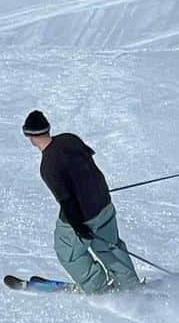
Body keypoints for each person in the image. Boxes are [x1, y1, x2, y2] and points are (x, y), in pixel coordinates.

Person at [21, 109, 139, 293]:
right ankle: (130, 285)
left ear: (30, 136)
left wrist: (78, 226)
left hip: (84, 215)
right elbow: (87, 165)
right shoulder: (70, 139)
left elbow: (67, 201)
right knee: (110, 246)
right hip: (104, 203)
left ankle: (99, 288)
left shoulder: (48, 166)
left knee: (68, 252)